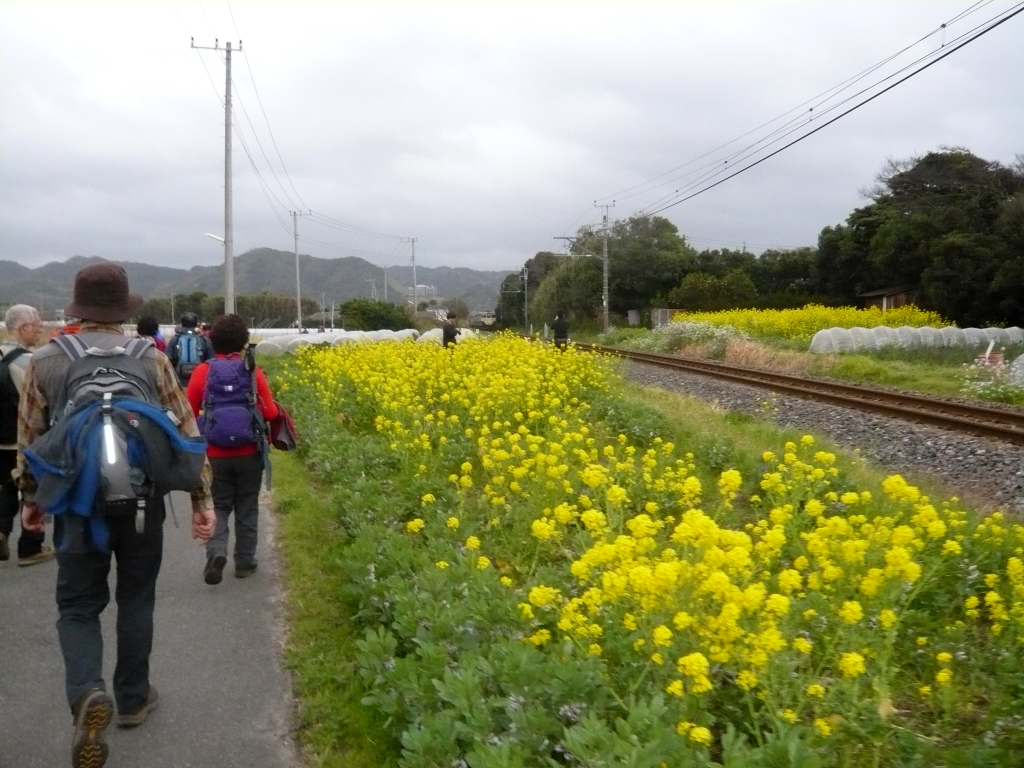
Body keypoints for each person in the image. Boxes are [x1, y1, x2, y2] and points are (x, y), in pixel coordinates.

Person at [15, 262, 215, 767]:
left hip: (78, 507)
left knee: (79, 607)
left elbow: (32, 443)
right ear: (125, 310)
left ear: (78, 311)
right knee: (136, 600)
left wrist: (31, 504)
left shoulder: (45, 361)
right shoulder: (151, 359)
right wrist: (201, 502)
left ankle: (86, 692)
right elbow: (187, 434)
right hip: (142, 505)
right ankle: (130, 697)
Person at [186, 313, 278, 585]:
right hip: (250, 452)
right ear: (243, 342)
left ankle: (216, 554)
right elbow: (270, 411)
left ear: (213, 340)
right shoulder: (253, 371)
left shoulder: (203, 371)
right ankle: (245, 563)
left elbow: (187, 413)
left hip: (214, 454)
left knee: (220, 504)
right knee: (248, 507)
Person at [0, 304, 53, 566]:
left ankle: (1, 531)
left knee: (5, 486)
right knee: (30, 487)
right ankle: (30, 546)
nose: (40, 329)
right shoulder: (29, 362)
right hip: (20, 439)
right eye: (36, 325)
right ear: (22, 328)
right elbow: (36, 408)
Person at [166, 312, 213, 385]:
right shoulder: (204, 340)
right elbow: (211, 360)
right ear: (196, 324)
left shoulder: (175, 339)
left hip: (180, 379)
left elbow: (168, 359)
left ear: (182, 324)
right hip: (199, 379)